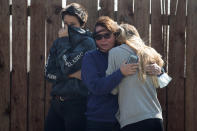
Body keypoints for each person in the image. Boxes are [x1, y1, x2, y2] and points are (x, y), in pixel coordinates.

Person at [81, 16, 161, 131]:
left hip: (125, 121)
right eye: (98, 37)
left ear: (115, 35)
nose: (103, 40)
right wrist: (120, 73)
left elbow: (150, 59)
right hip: (100, 120)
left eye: (107, 35)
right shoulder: (90, 57)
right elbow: (95, 87)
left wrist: (158, 70)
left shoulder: (126, 51)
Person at [44, 3, 96, 131]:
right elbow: (48, 74)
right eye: (65, 24)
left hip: (76, 104)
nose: (68, 28)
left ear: (82, 24)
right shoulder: (58, 42)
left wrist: (64, 41)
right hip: (56, 103)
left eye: (72, 25)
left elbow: (67, 66)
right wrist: (71, 75)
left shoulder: (87, 43)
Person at [106, 23, 165, 131]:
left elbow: (112, 90)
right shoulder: (150, 52)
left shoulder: (114, 53)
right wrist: (160, 71)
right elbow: (163, 83)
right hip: (155, 117)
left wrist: (121, 74)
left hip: (132, 120)